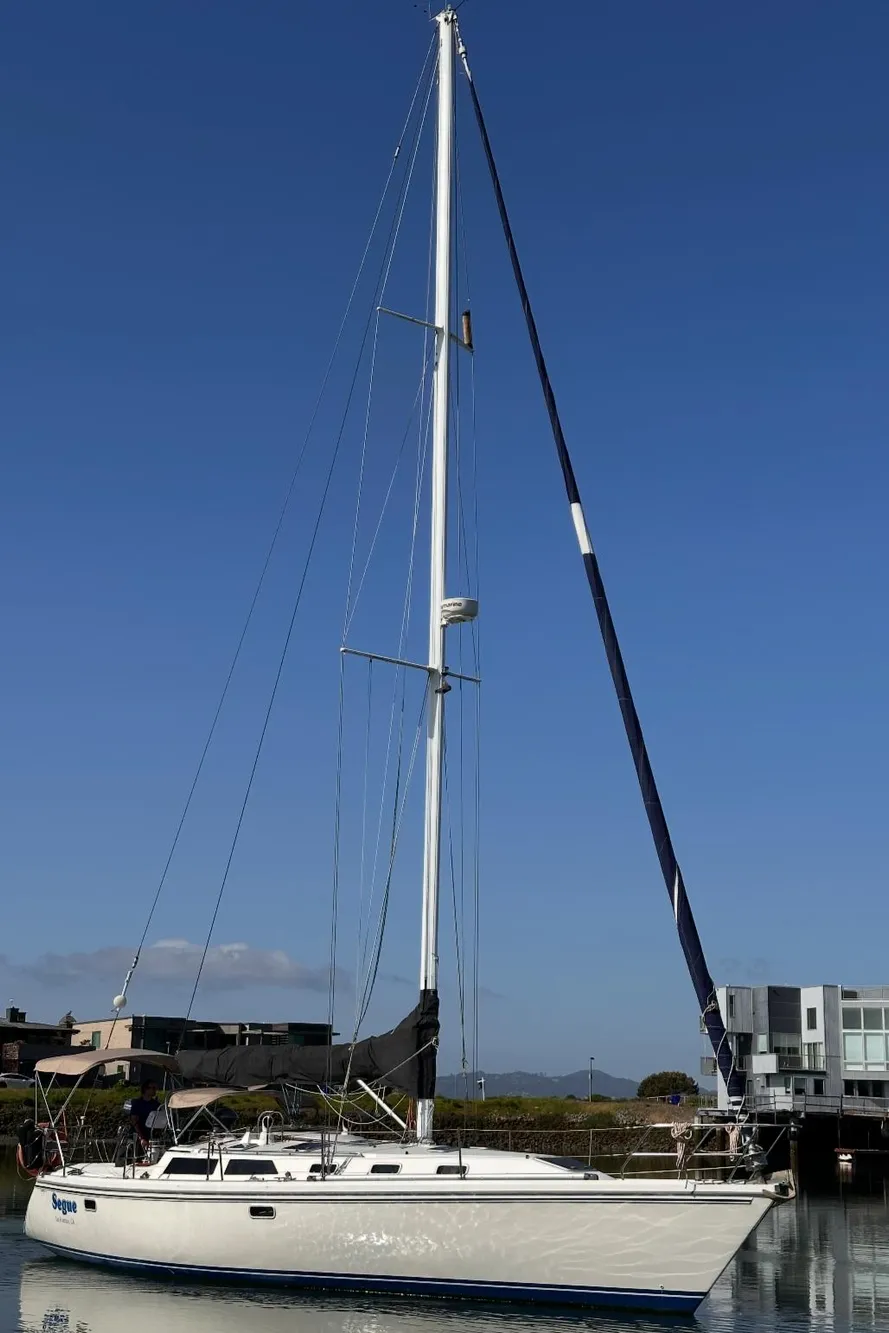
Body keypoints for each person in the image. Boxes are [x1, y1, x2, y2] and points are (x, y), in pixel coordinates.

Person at [129, 1080, 160, 1150]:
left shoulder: (156, 1104)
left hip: (152, 1135)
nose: (155, 1090)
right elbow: (134, 1120)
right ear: (146, 1089)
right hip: (139, 1135)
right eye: (153, 1088)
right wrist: (141, 1138)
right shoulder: (137, 1103)